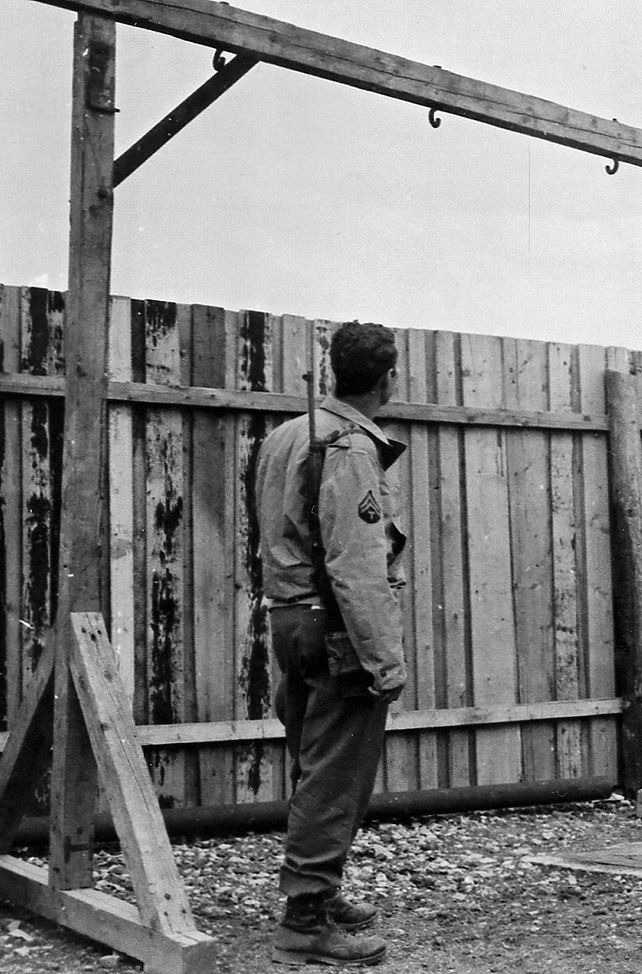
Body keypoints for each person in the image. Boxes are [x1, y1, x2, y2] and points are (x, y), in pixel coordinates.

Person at [255, 321, 408, 967]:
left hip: (290, 618)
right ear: (386, 379)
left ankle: (320, 890)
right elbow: (356, 563)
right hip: (336, 626)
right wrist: (383, 659)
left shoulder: (286, 435)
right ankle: (305, 921)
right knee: (334, 779)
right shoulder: (348, 448)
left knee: (313, 765)